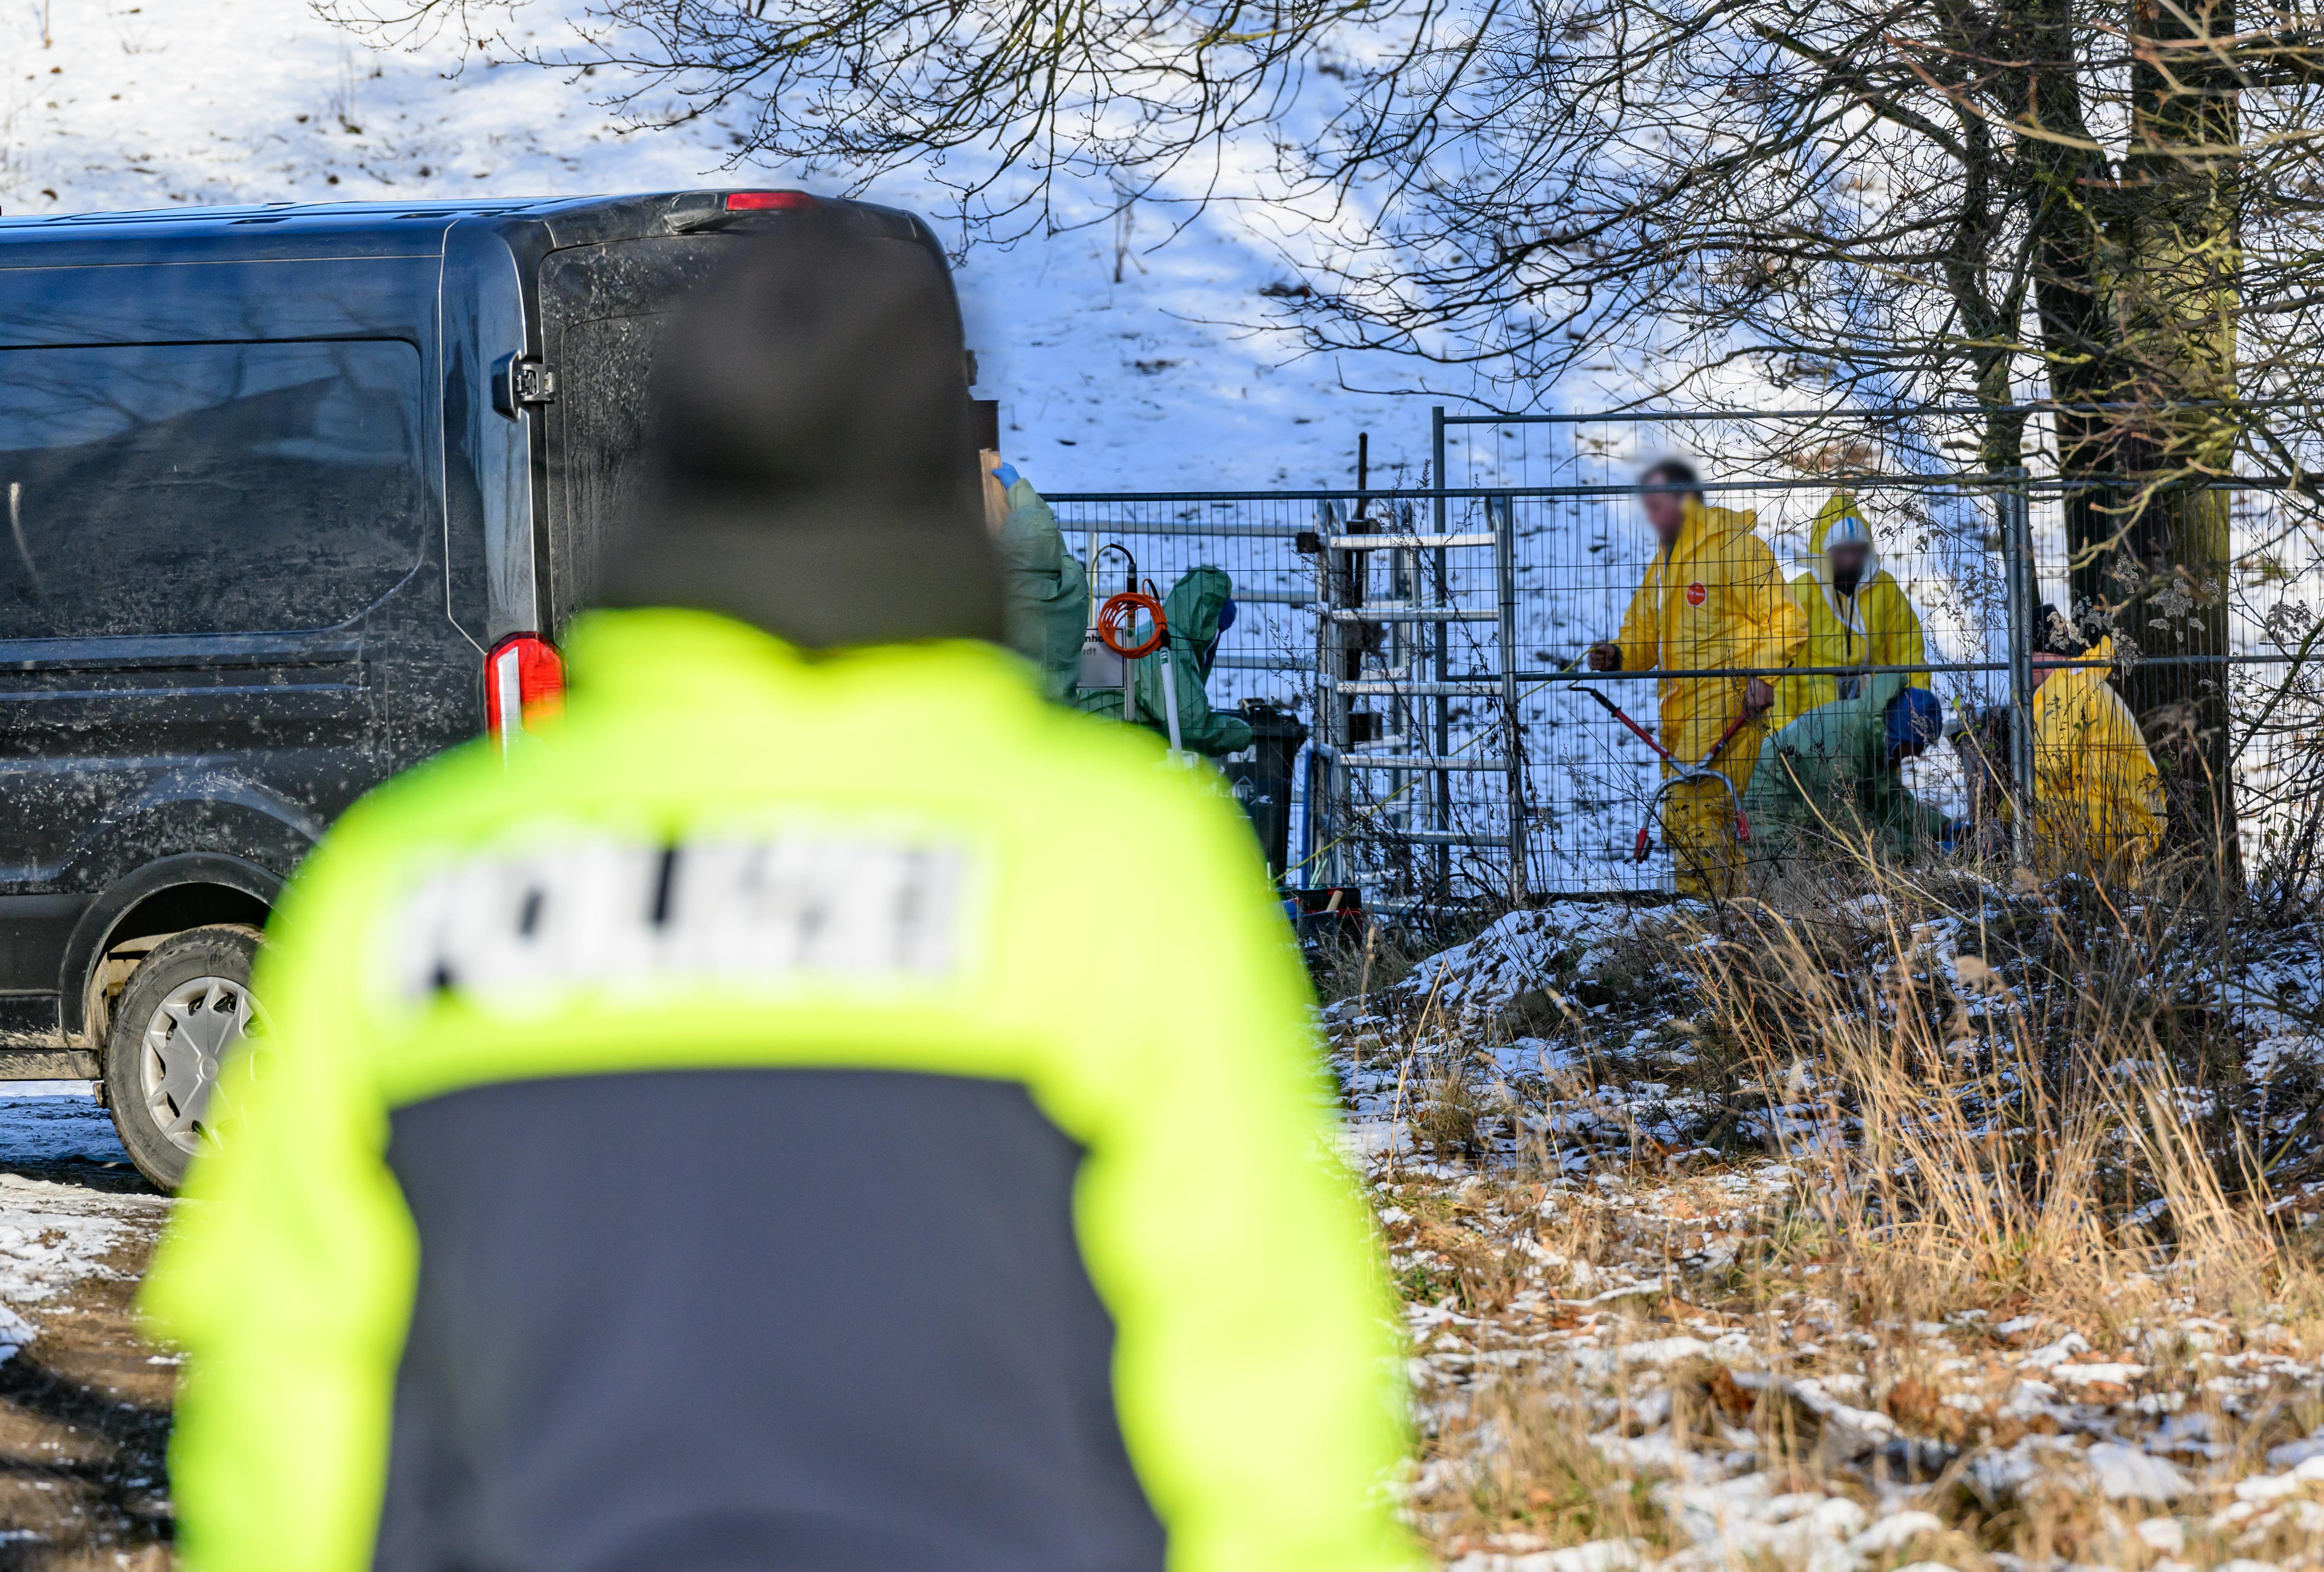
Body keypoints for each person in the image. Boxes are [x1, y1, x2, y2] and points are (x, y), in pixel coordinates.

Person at [140, 220, 1418, 1572]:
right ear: (948, 486)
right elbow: (1260, 1421)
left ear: (671, 472)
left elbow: (290, 1432)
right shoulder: (1118, 870)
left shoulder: (408, 881)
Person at [1590, 459, 1807, 897]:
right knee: (1687, 812)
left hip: (1728, 701)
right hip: (1678, 710)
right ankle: (1727, 914)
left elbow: (1788, 620)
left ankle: (1704, 913)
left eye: (1657, 505)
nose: (1651, 516)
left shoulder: (1735, 548)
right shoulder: (1664, 563)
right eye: (1648, 507)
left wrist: (1763, 676)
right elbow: (1643, 635)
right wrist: (1618, 654)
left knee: (1701, 810)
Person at [1740, 674, 1960, 861]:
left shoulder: (1872, 736)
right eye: (1915, 746)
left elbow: (1891, 805)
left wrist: (1945, 828)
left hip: (1808, 823)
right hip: (1773, 827)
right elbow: (1857, 835)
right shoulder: (1839, 747)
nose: (1917, 755)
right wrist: (1927, 851)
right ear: (1896, 732)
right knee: (1824, 883)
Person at [1769, 492, 1931, 733]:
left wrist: (1915, 721)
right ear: (1825, 552)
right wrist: (1784, 735)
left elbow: (1909, 656)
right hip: (1815, 724)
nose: (1851, 559)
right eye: (1843, 551)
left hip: (1877, 720)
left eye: (1858, 551)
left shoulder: (1885, 589)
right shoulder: (1801, 594)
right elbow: (1784, 674)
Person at [2024, 603, 2164, 876]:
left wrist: (2006, 811)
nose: (2023, 668)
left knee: (2034, 813)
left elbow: (2052, 768)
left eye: (2028, 657)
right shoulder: (2080, 681)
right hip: (2126, 818)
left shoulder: (2065, 689)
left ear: (2043, 655)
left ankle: (2051, 893)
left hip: (2112, 820)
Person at [1077, 564, 1254, 756]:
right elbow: (1191, 729)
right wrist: (1243, 733)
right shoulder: (1167, 646)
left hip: (1087, 739)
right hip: (1114, 750)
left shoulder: (1151, 634)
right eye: (1216, 630)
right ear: (1207, 623)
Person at [981, 449, 1089, 700]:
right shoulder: (1073, 587)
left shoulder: (1000, 594)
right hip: (1061, 707)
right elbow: (1050, 541)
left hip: (1015, 710)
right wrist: (1020, 489)